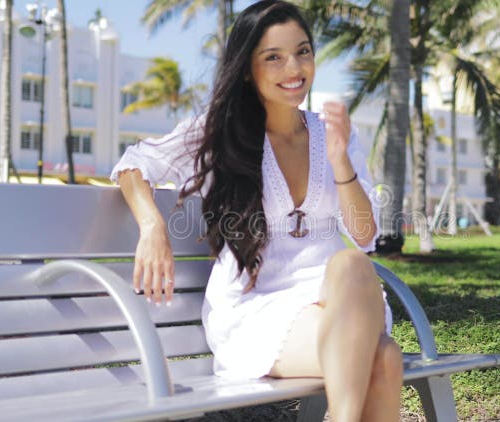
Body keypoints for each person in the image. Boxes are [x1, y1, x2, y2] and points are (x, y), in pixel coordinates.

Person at [109, 2, 402, 421]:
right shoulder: (220, 133)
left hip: (344, 303)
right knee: (384, 360)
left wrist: (341, 164)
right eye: (274, 58)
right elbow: (135, 164)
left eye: (303, 52)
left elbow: (365, 235)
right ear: (247, 68)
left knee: (352, 263)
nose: (294, 68)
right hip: (259, 313)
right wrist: (152, 225)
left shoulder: (333, 135)